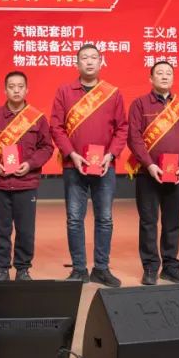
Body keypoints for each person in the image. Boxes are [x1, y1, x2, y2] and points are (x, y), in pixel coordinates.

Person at [49, 43, 128, 286]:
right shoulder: (64, 91)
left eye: (94, 57)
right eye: (84, 58)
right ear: (77, 63)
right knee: (74, 219)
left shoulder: (112, 93)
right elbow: (56, 127)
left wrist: (110, 155)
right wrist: (71, 154)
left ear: (101, 62)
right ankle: (79, 269)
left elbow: (122, 128)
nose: (90, 61)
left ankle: (101, 268)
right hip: (74, 166)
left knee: (104, 218)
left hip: (104, 167)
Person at [126, 61, 179, 285]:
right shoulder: (139, 104)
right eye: (159, 73)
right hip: (148, 173)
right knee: (148, 221)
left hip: (176, 174)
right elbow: (134, 138)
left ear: (173, 78)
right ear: (151, 78)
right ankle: (150, 267)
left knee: (172, 221)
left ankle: (171, 267)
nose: (165, 76)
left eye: (168, 73)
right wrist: (149, 164)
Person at [0, 71, 54, 281]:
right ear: (5, 90)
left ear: (26, 89)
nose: (16, 90)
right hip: (1, 182)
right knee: (1, 229)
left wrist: (30, 164)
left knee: (25, 229)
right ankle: (2, 268)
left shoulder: (37, 118)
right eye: (12, 86)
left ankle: (23, 269)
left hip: (26, 183)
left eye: (20, 86)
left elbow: (47, 147)